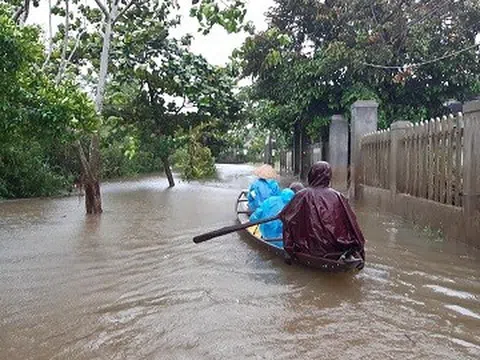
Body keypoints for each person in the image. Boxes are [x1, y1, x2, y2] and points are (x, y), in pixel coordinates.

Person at [279, 161, 366, 261]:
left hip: (309, 248)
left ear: (311, 175)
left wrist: (288, 249)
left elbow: (286, 220)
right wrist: (360, 250)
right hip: (336, 248)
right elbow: (353, 224)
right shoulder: (338, 196)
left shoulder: (302, 195)